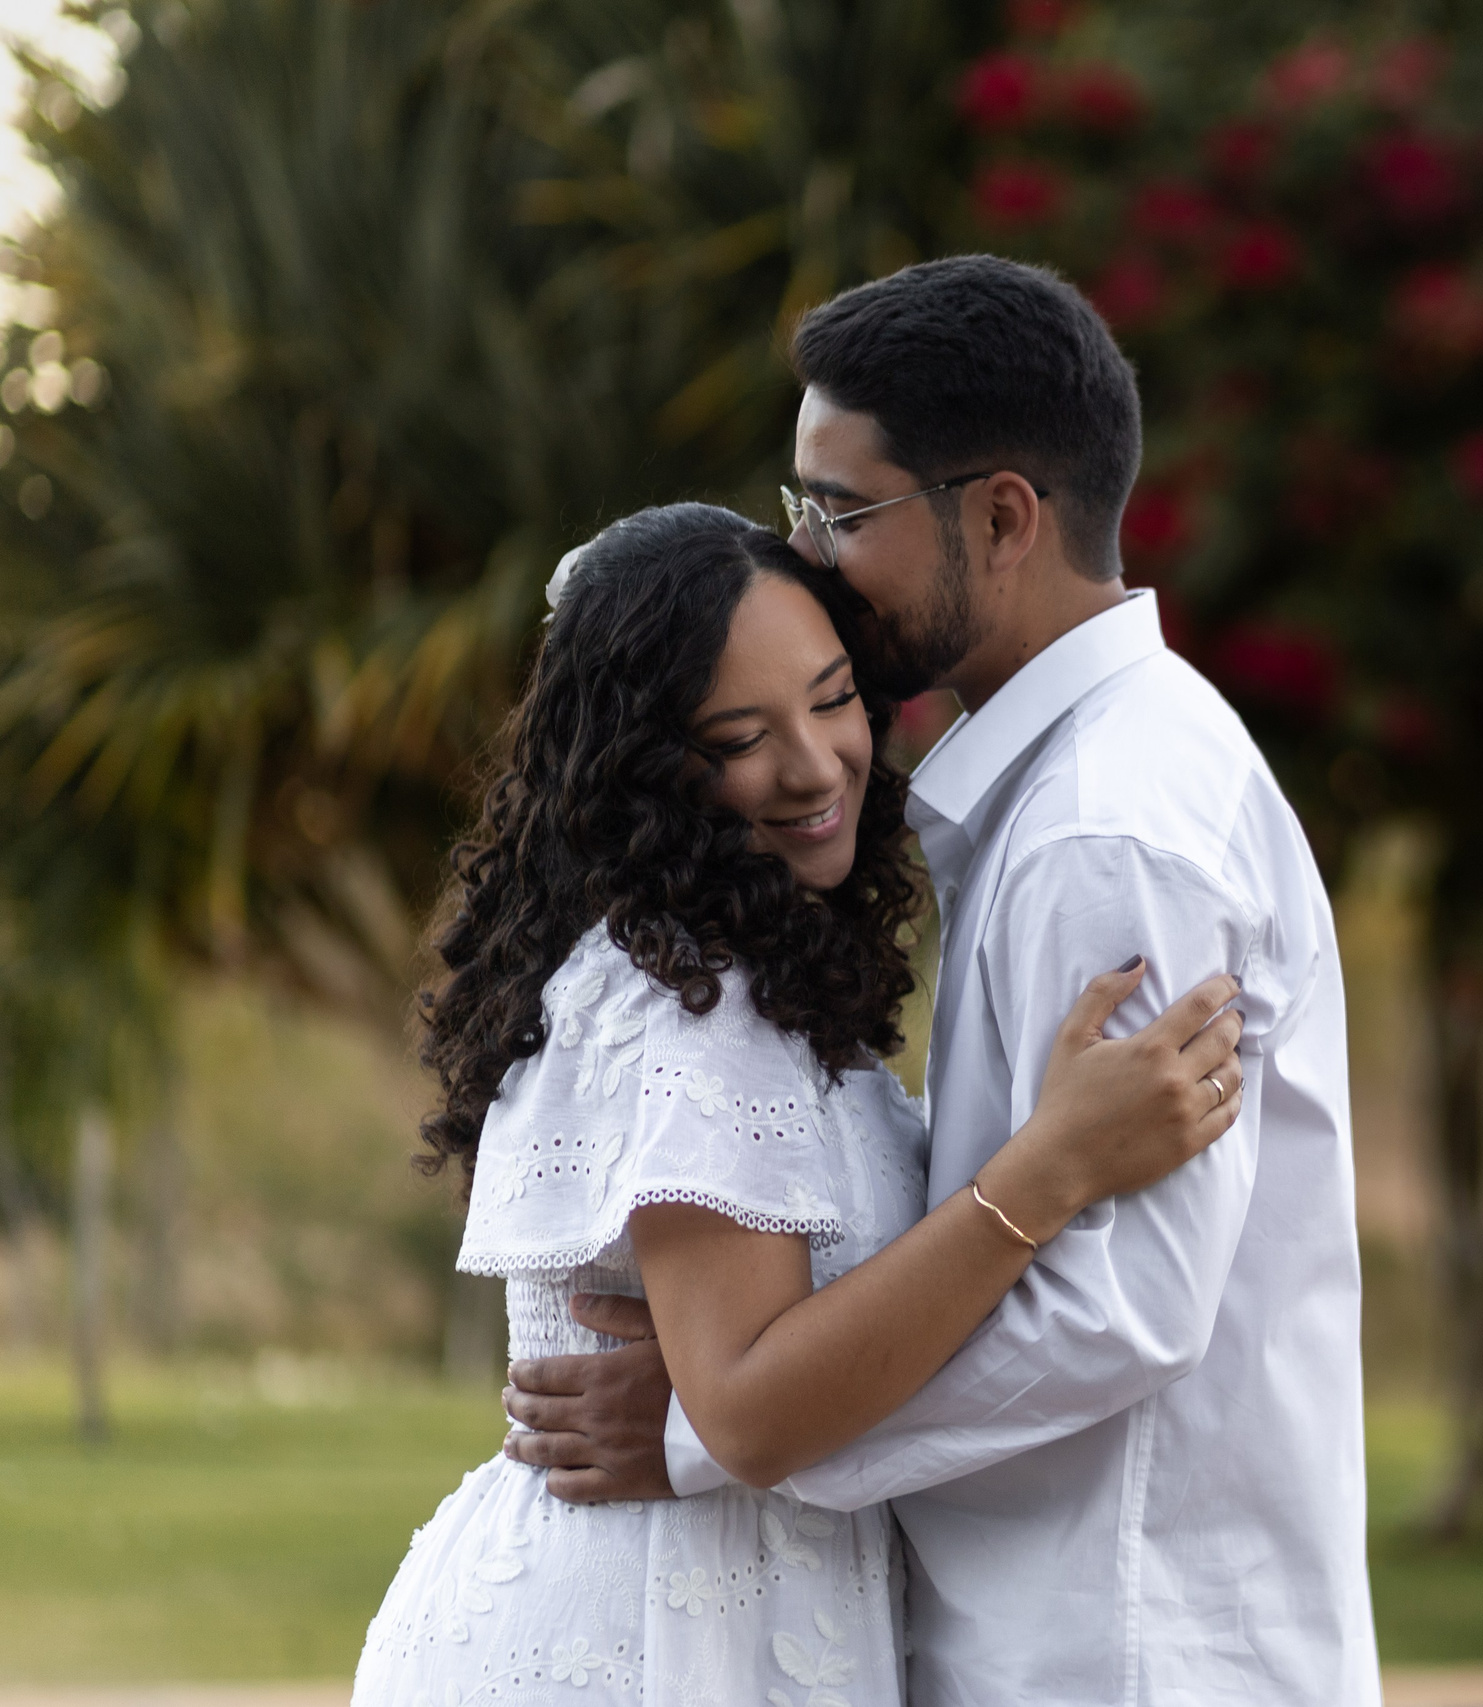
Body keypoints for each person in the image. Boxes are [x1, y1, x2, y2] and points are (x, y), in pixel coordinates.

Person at [503, 257, 1383, 1705]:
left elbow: (1123, 1305)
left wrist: (715, 1428)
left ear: (1001, 515)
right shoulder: (1069, 789)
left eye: (843, 512)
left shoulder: (1106, 826)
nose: (810, 556)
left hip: (1123, 1645)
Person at [352, 503, 1245, 1703]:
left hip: (736, 1608)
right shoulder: (686, 1003)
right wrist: (1053, 1166)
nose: (816, 763)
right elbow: (756, 1417)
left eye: (831, 700)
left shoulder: (748, 972)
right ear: (650, 768)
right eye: (740, 736)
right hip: (650, 1642)